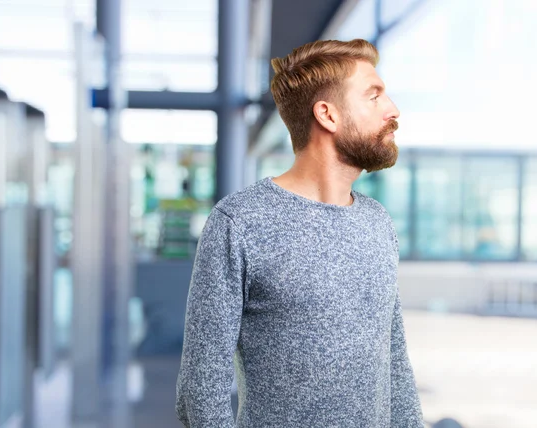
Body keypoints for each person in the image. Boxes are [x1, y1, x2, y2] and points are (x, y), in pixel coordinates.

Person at [175, 39, 424, 427]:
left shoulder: (377, 222)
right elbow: (202, 387)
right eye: (374, 96)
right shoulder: (240, 222)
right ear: (328, 115)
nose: (392, 111)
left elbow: (394, 362)